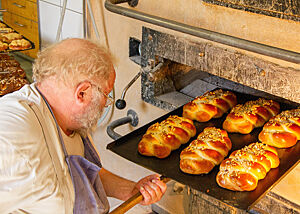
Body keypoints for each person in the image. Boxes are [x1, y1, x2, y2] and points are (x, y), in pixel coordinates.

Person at [0, 38, 167, 214]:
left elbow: (82, 174)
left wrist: (131, 190)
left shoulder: (67, 118)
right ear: (82, 93)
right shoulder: (15, 137)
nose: (106, 103)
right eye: (106, 94)